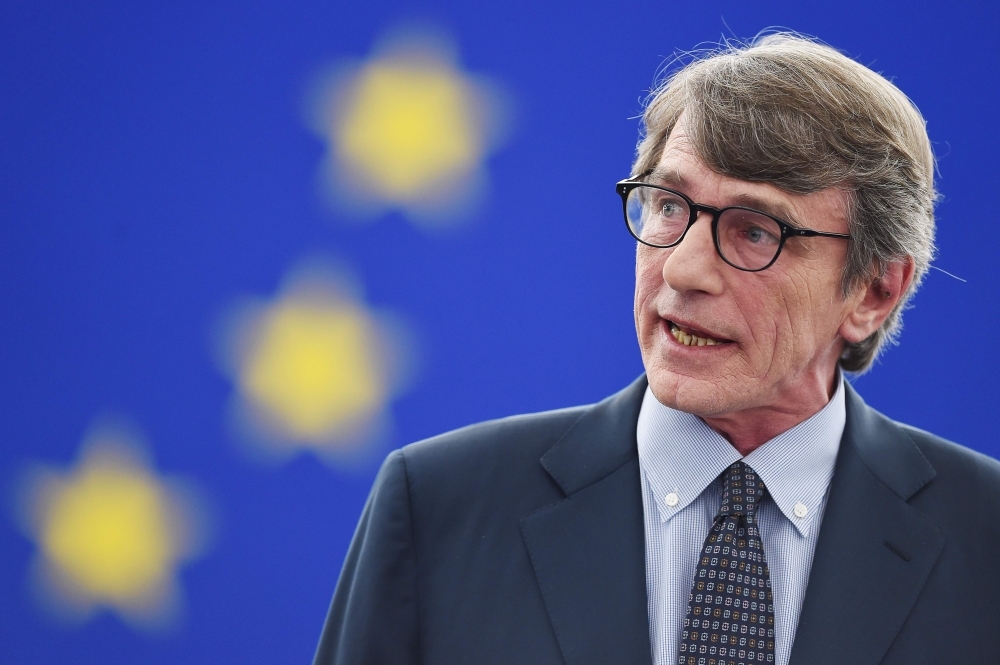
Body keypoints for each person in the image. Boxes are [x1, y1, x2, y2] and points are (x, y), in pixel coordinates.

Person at [313, 34, 1000, 665]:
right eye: (668, 206)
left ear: (875, 291)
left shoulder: (985, 537)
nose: (681, 270)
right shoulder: (436, 507)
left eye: (755, 230)